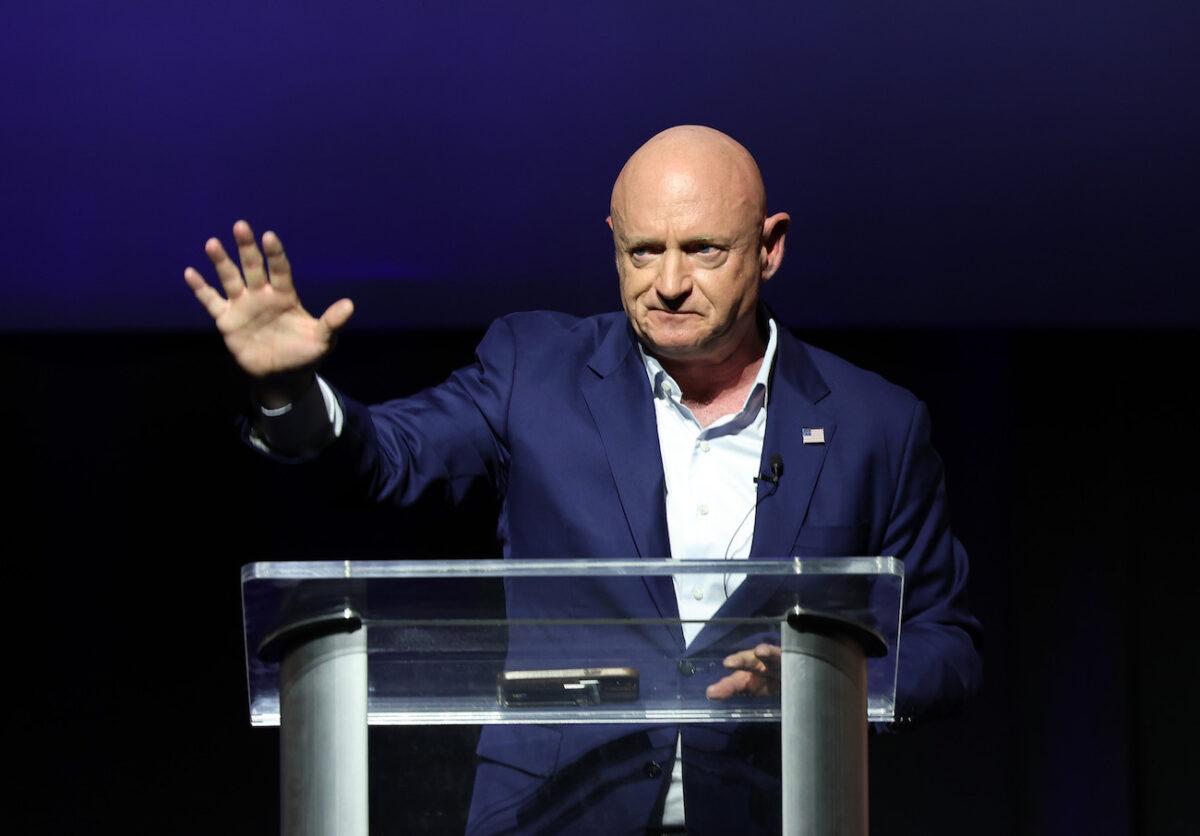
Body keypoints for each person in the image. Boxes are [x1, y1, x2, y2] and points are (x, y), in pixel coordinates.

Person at [185, 125, 982, 834]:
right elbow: (387, 459)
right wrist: (290, 397)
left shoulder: (876, 424)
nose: (668, 283)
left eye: (703, 249)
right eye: (643, 252)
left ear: (769, 246)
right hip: (552, 811)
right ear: (613, 243)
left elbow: (946, 641)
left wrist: (829, 681)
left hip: (774, 809)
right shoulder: (533, 370)